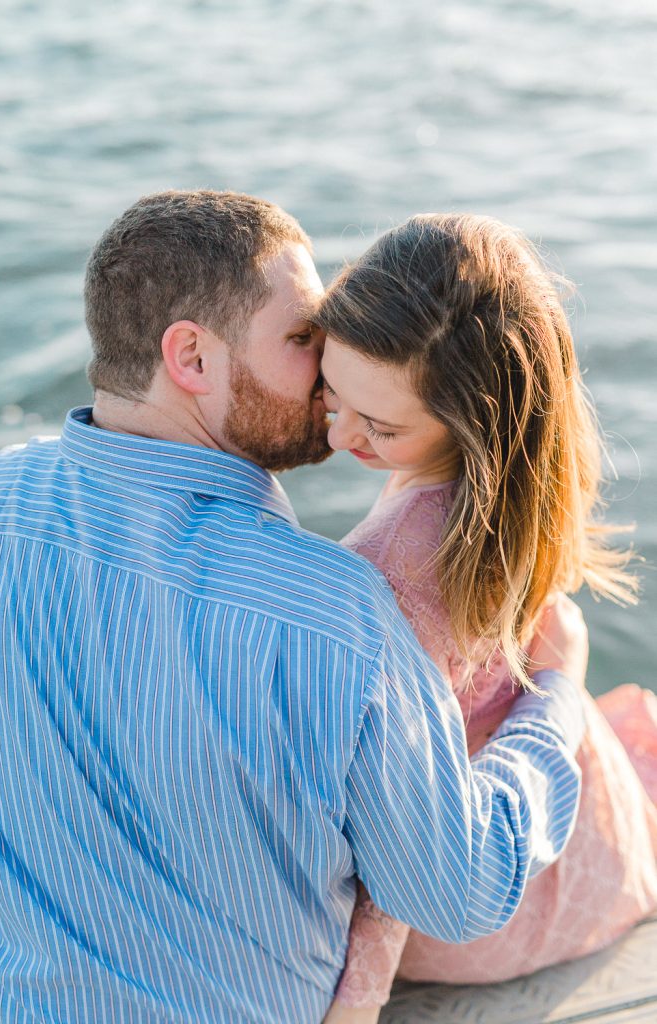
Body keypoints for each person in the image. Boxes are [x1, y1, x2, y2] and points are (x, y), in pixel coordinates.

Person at [0, 191, 588, 1024]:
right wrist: (554, 703)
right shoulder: (330, 611)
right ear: (190, 355)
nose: (327, 362)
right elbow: (458, 891)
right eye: (302, 337)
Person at [315, 213, 657, 1022]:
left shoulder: (388, 568)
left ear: (471, 420)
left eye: (380, 425)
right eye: (331, 390)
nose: (335, 432)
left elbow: (404, 847)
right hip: (578, 836)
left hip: (481, 909)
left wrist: (352, 1007)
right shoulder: (505, 486)